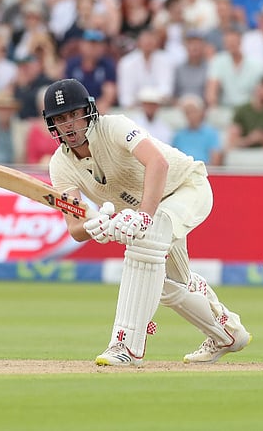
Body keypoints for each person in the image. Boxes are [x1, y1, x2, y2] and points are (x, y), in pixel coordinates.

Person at [43, 78, 250, 366]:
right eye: (60, 119)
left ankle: (125, 344)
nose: (68, 125)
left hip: (187, 187)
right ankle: (227, 333)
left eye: (73, 115)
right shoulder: (59, 164)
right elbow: (75, 227)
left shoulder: (114, 126)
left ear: (87, 112)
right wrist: (96, 226)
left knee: (146, 240)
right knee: (169, 284)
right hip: (153, 211)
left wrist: (143, 216)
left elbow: (158, 163)